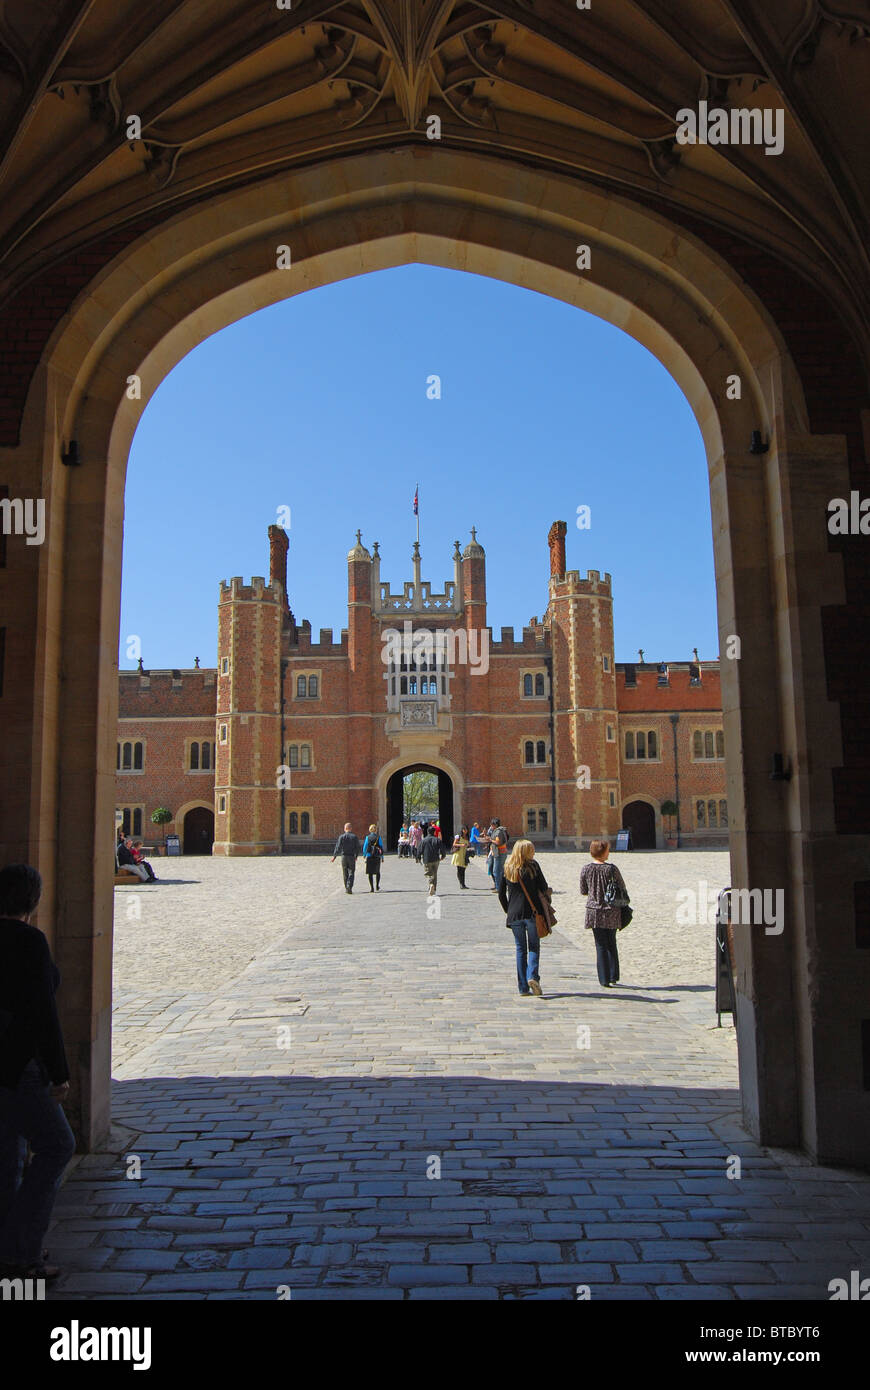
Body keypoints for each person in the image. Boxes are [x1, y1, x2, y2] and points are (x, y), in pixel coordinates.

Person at [0, 864, 76, 1281]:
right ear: (32, 901)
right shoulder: (29, 941)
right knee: (57, 1146)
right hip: (18, 1066)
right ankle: (20, 1252)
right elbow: (43, 1014)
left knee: (7, 1155)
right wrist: (60, 1072)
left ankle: (9, 1244)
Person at [498, 839, 550, 998]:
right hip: (532, 913)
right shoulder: (533, 866)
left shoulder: (507, 868)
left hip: (514, 915)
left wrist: (509, 911)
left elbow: (501, 894)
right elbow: (543, 887)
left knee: (520, 950)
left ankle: (522, 988)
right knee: (533, 946)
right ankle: (532, 976)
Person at [579, 838, 629, 987]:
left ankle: (603, 978)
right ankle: (613, 975)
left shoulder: (586, 869)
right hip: (611, 909)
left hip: (594, 911)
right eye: (608, 849)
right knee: (611, 942)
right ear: (603, 852)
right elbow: (622, 887)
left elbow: (583, 891)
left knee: (600, 944)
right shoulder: (612, 869)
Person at [331, 823, 361, 894]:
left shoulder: (342, 837)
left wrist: (334, 856)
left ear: (345, 829)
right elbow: (358, 847)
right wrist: (356, 856)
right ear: (351, 828)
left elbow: (338, 847)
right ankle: (349, 886)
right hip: (351, 856)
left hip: (344, 856)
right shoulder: (354, 837)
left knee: (345, 872)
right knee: (351, 872)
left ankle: (346, 887)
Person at [488, 818, 509, 895]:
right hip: (499, 852)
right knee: (499, 870)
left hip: (499, 853)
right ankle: (499, 886)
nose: (491, 826)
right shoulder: (499, 830)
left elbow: (498, 842)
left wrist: (490, 840)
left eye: (492, 825)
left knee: (496, 871)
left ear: (495, 825)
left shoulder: (498, 831)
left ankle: (499, 888)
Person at [361, 824, 384, 892]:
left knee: (370, 872)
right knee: (377, 871)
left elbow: (365, 847)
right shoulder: (378, 837)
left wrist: (364, 854)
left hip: (369, 855)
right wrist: (382, 856)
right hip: (377, 855)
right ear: (376, 830)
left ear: (370, 830)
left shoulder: (367, 837)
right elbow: (381, 847)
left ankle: (372, 888)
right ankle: (377, 885)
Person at [420, 826, 441, 896]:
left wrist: (418, 857)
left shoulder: (424, 840)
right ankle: (434, 889)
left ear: (427, 832)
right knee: (435, 874)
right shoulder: (437, 840)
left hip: (427, 859)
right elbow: (442, 849)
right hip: (436, 859)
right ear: (434, 832)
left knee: (428, 873)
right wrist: (443, 855)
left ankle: (431, 884)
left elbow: (420, 849)